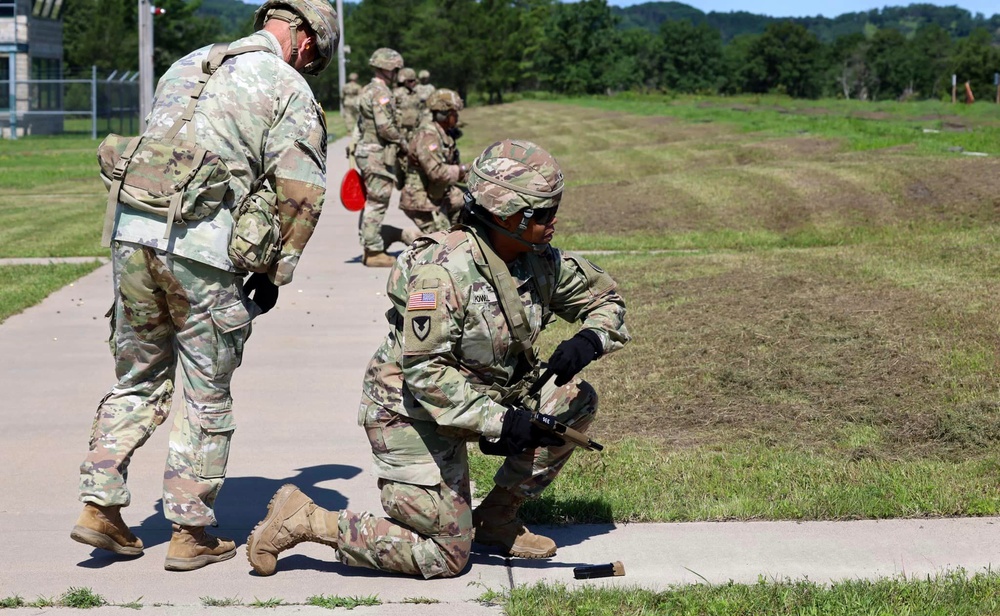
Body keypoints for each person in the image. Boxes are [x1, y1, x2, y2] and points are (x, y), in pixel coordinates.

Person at [247, 139, 631, 579]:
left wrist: (591, 338)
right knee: (446, 555)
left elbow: (608, 299)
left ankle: (497, 517)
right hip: (410, 414)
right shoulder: (444, 272)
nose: (553, 221)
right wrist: (502, 423)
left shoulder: (538, 262)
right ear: (508, 214)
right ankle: (308, 520)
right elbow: (426, 373)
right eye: (542, 213)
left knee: (573, 400)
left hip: (482, 401)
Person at [71, 0, 337, 571]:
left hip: (132, 236)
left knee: (137, 378)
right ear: (308, 40)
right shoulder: (284, 84)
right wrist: (273, 273)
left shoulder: (191, 61)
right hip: (203, 250)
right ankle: (190, 531)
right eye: (316, 57)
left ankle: (99, 507)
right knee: (205, 391)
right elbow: (301, 192)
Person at [355, 47, 417, 268]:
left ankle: (370, 245)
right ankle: (373, 252)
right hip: (376, 152)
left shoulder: (367, 90)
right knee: (378, 201)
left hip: (367, 150)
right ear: (388, 68)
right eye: (396, 69)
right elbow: (384, 126)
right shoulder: (380, 93)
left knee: (373, 200)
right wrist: (403, 143)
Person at [399, 88, 469, 234]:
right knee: (442, 244)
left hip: (438, 194)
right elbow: (437, 173)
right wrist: (463, 170)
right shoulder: (428, 136)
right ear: (444, 115)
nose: (456, 117)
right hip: (421, 201)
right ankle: (405, 236)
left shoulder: (444, 134)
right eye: (454, 113)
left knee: (470, 202)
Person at [393, 67, 425, 143]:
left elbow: (420, 110)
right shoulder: (396, 94)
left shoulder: (416, 94)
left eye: (414, 81)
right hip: (400, 130)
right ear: (403, 81)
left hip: (414, 130)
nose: (413, 83)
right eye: (410, 81)